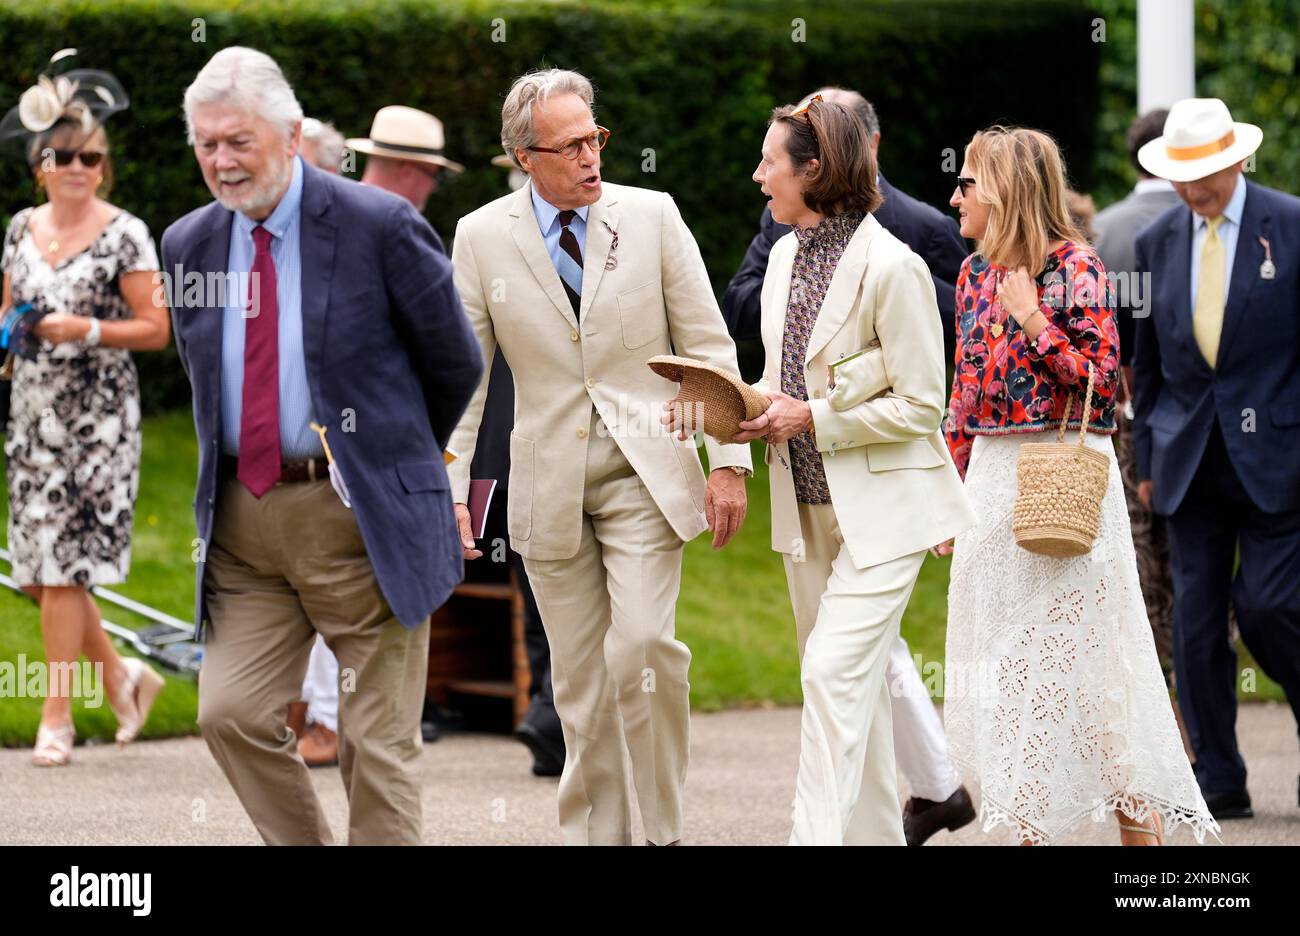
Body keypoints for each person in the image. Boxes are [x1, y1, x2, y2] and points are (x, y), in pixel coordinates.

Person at [162, 47, 482, 845]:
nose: (222, 161)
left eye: (239, 141)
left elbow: (455, 362)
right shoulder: (188, 245)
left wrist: (396, 461)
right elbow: (207, 375)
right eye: (206, 144)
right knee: (228, 714)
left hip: (362, 523)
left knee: (377, 748)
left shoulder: (380, 225)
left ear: (292, 133)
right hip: (245, 521)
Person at [446, 68, 752, 845]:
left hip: (645, 474)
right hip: (544, 485)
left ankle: (665, 833)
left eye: (596, 138)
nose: (591, 156)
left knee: (645, 649)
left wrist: (727, 463)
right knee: (579, 688)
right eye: (572, 145)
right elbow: (467, 377)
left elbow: (710, 347)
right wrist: (451, 490)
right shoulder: (481, 236)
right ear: (525, 156)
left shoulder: (653, 217)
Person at [941, 125, 1217, 845]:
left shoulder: (1078, 268)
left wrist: (1033, 319)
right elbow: (962, 395)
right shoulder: (972, 275)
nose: (955, 196)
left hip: (1065, 482)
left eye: (967, 183)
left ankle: (1137, 829)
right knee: (1001, 667)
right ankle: (1025, 828)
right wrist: (946, 493)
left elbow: (1100, 386)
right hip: (992, 489)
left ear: (1006, 189)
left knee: (1090, 669)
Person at [725, 85, 977, 846]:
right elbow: (779, 381)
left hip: (887, 515)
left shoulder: (894, 267)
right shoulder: (780, 261)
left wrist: (817, 416)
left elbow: (920, 406)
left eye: (771, 163)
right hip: (803, 511)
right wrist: (727, 415)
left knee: (830, 678)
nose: (759, 177)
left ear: (814, 171)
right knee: (854, 699)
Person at [1132, 98, 1300, 819]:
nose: (1192, 187)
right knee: (1195, 626)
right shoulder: (1157, 240)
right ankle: (1220, 781)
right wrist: (1143, 459)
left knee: (1268, 607)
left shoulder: (1291, 226)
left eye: (1205, 172)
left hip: (1280, 457)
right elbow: (1146, 363)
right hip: (1187, 458)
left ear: (1236, 161)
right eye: (1181, 174)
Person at [0, 54, 169, 767]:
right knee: (37, 573)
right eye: (63, 155)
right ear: (40, 163)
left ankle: (59, 715)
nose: (77, 166)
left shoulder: (126, 231)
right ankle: (125, 677)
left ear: (104, 166)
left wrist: (87, 330)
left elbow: (156, 328)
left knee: (65, 570)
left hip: (98, 426)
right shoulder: (20, 228)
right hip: (32, 418)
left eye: (90, 157)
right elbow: (7, 314)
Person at [722, 87, 968, 359]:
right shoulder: (781, 228)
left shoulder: (928, 230)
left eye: (834, 136)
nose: (759, 175)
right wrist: (807, 280)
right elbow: (736, 312)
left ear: (869, 143)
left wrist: (900, 280)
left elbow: (969, 327)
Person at [1092, 110, 1184, 668]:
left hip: (1121, 417)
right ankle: (1199, 696)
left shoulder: (1102, 229)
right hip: (1206, 417)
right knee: (1197, 561)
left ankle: (1151, 680)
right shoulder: (1207, 220)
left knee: (1134, 555)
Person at [347, 105, 464, 212]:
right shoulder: (398, 228)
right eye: (433, 175)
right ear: (407, 173)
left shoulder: (336, 209)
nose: (433, 186)